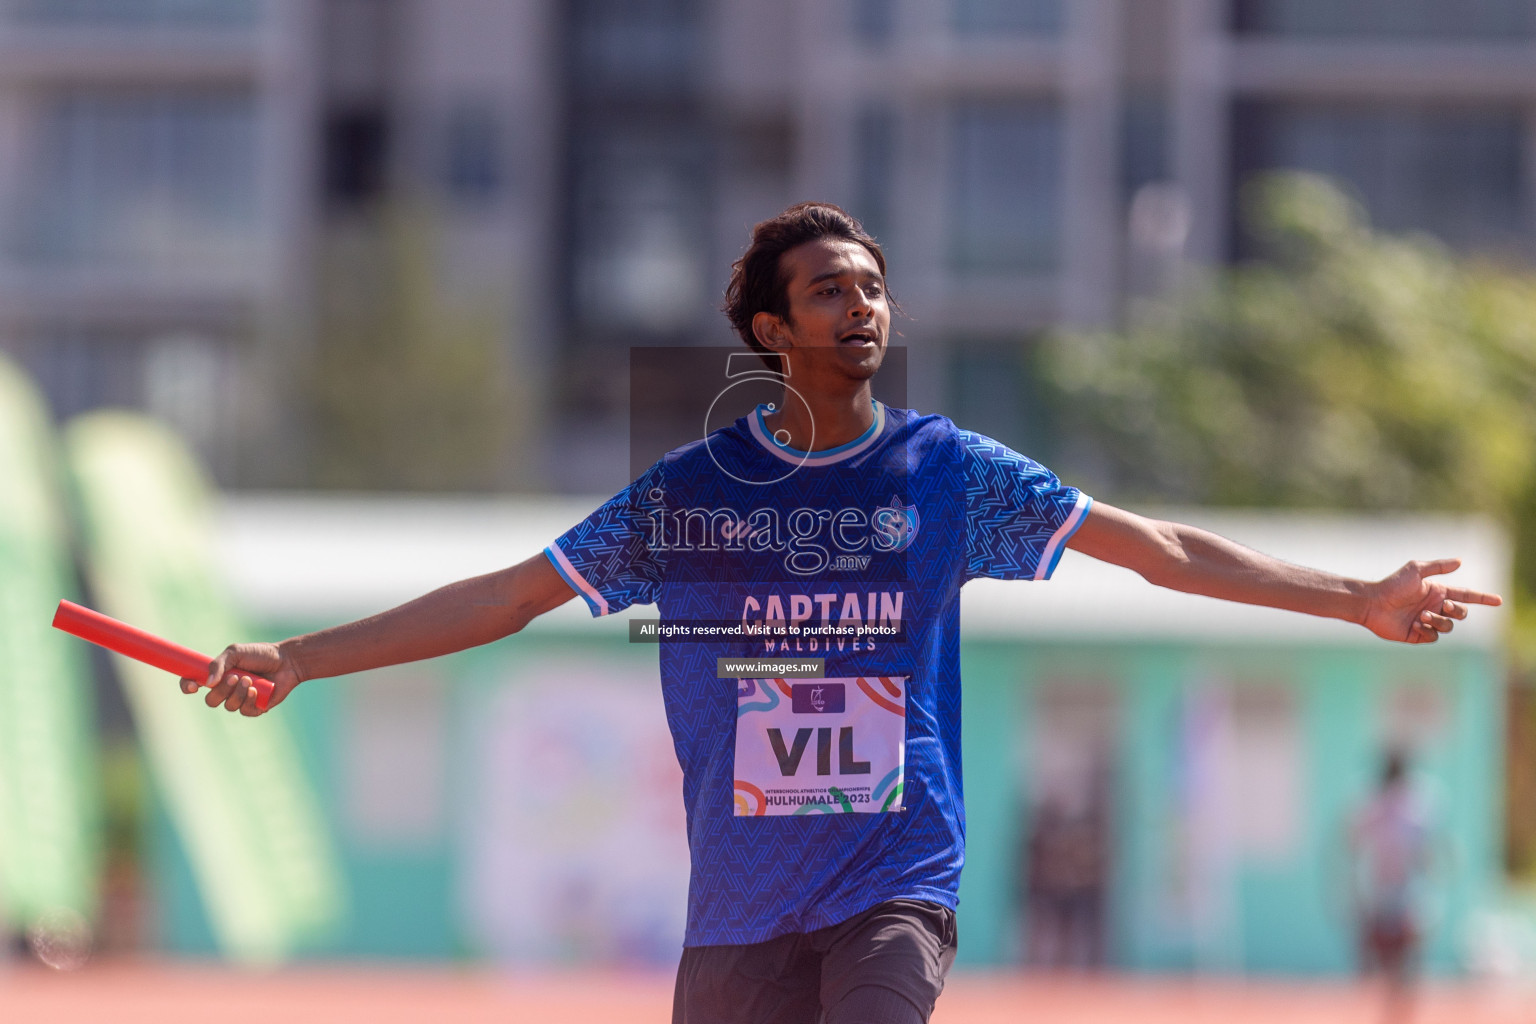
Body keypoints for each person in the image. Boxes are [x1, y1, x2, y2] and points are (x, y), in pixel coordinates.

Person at [184, 203, 1501, 1024]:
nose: (863, 305)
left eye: (873, 287)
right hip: (739, 909)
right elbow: (510, 596)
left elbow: (1153, 551)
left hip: (897, 878)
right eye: (832, 290)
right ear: (773, 325)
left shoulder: (952, 474)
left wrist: (1356, 601)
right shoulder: (691, 495)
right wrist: (302, 657)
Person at [1350, 749, 1434, 1024]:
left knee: (1402, 954)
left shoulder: (1406, 805)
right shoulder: (1397, 805)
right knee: (1396, 956)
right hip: (1392, 891)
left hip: (1399, 890)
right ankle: (1396, 1005)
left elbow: (1353, 839)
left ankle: (1398, 1004)